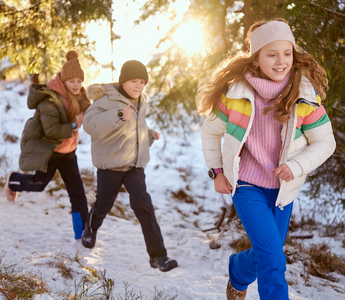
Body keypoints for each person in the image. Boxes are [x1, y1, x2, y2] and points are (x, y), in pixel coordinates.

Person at [196, 19, 336, 300]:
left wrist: (296, 165)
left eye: (287, 53)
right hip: (247, 186)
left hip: (283, 189)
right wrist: (217, 172)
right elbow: (210, 132)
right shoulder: (236, 94)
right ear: (257, 59)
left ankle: (238, 270)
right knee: (273, 260)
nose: (281, 61)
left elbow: (325, 142)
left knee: (267, 253)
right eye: (271, 54)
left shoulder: (305, 96)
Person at [82, 60, 178, 272]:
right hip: (111, 166)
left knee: (144, 207)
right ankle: (90, 228)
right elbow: (89, 125)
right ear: (123, 81)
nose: (138, 85)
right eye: (133, 81)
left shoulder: (140, 100)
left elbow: (135, 127)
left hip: (134, 166)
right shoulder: (105, 100)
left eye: (142, 81)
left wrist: (148, 134)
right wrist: (118, 115)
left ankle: (158, 256)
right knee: (104, 204)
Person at [5, 50, 90, 241]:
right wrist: (75, 124)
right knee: (38, 185)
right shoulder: (50, 99)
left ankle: (82, 235)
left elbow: (92, 112)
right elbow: (51, 130)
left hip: (69, 152)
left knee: (78, 193)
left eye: (79, 80)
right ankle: (13, 180)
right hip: (50, 151)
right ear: (64, 80)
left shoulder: (79, 96)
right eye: (72, 81)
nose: (76, 85)